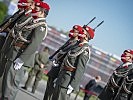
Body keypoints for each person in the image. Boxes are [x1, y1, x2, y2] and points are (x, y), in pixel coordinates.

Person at [1, 1, 50, 99]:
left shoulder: (41, 26)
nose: (33, 10)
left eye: (36, 9)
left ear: (42, 12)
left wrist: (21, 59)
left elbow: (34, 44)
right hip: (14, 53)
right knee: (6, 84)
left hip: (20, 56)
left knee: (11, 86)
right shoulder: (33, 22)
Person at [51, 25, 95, 100]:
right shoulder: (76, 45)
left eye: (83, 31)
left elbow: (80, 69)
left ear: (86, 36)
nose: (80, 32)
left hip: (68, 79)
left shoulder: (85, 49)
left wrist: (73, 84)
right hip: (62, 75)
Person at [43, 25, 83, 100]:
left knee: (52, 92)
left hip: (60, 70)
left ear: (78, 34)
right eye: (72, 29)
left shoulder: (75, 44)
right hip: (56, 68)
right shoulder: (70, 41)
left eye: (74, 31)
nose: (72, 32)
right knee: (48, 89)